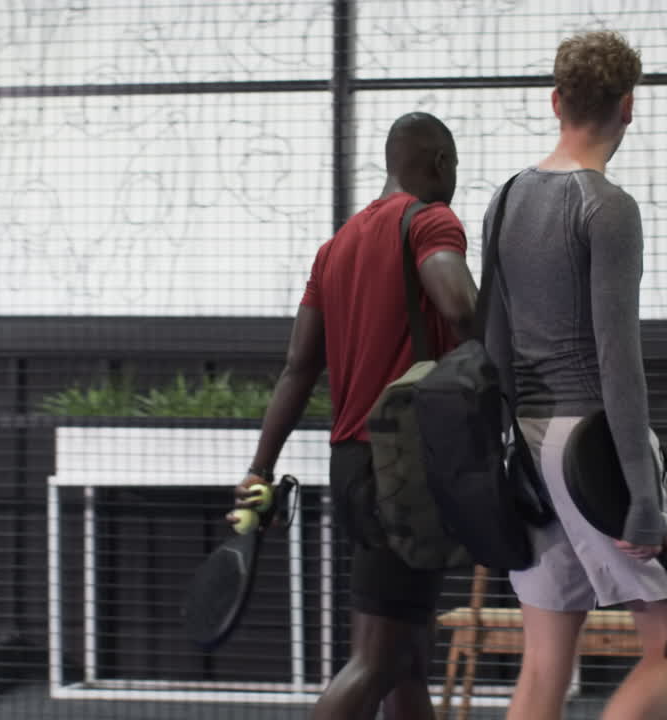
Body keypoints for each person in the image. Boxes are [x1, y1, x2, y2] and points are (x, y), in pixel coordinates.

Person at [482, 31, 667, 720]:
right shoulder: (607, 207)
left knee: (546, 661)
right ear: (628, 109)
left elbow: (491, 345)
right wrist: (643, 496)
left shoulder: (508, 197)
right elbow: (619, 358)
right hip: (593, 452)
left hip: (524, 445)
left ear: (556, 102)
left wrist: (508, 458)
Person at [233, 112, 477, 720]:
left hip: (352, 466)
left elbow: (297, 368)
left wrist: (259, 470)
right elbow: (460, 304)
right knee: (376, 660)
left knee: (406, 661)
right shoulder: (430, 220)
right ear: (440, 163)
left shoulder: (335, 248)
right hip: (408, 469)